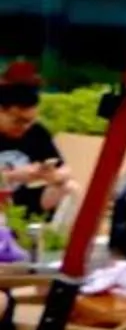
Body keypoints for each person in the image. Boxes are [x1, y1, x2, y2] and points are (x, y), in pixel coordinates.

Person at [0, 66, 66, 224]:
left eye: (29, 121)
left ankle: (59, 236)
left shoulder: (36, 132)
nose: (24, 127)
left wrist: (54, 175)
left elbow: (64, 168)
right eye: (18, 121)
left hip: (28, 203)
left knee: (70, 188)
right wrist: (13, 176)